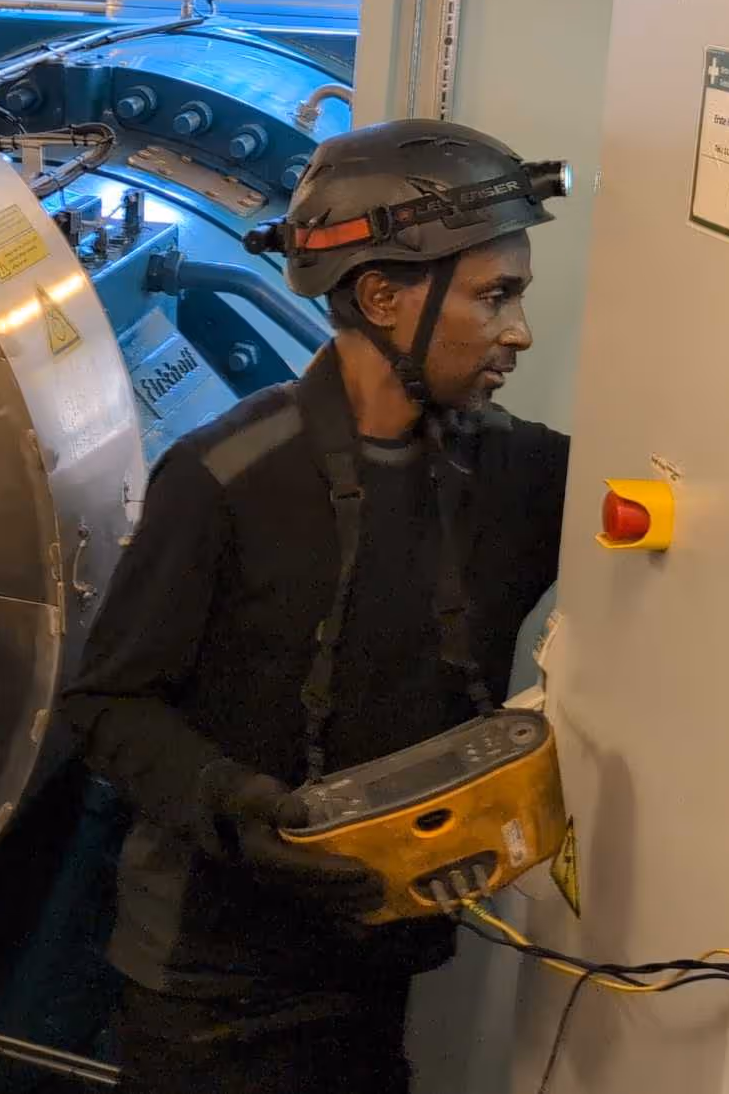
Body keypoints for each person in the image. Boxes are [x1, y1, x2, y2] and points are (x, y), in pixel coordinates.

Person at [60, 120, 574, 1094]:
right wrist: (243, 809)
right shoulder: (222, 479)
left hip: (371, 971)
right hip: (209, 988)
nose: (518, 330)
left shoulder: (513, 475)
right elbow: (105, 706)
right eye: (493, 295)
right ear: (381, 295)